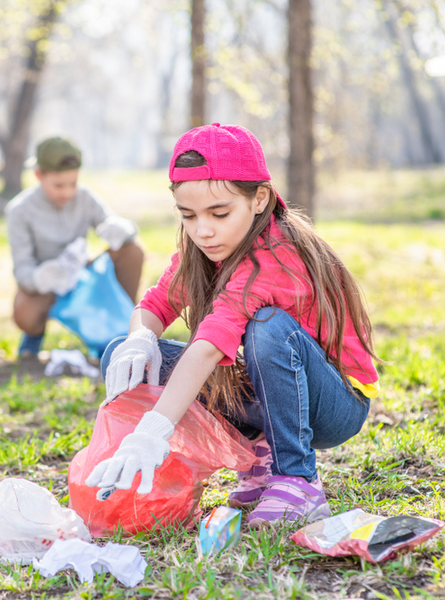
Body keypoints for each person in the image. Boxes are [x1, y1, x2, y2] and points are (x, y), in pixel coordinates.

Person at [85, 124, 379, 528]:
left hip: (334, 405)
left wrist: (152, 430)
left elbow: (208, 346)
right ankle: (260, 453)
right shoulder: (204, 249)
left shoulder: (275, 255)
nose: (203, 230)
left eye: (219, 213)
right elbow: (153, 306)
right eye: (188, 216)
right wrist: (140, 338)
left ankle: (297, 478)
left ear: (259, 199)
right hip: (275, 396)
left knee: (268, 327)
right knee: (123, 353)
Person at [5, 136, 145, 357]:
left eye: (73, 183)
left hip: (81, 273)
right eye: (59, 185)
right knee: (25, 315)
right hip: (48, 282)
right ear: (39, 175)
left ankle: (121, 326)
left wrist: (120, 229)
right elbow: (22, 269)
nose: (67, 192)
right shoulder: (20, 210)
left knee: (132, 251)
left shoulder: (85, 197)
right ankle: (34, 334)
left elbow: (110, 222)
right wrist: (39, 278)